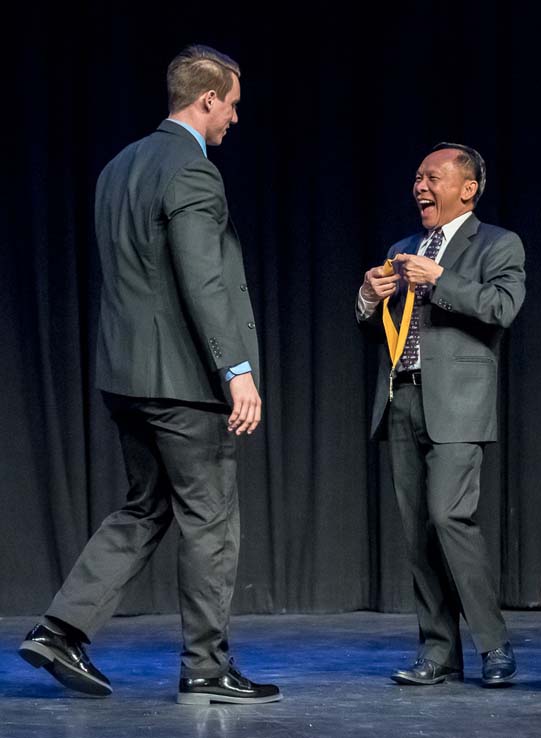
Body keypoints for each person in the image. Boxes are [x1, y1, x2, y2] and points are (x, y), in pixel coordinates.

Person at [19, 44, 281, 706]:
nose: (236, 120)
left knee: (146, 506)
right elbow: (201, 277)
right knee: (212, 517)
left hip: (124, 377)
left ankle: (59, 630)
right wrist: (237, 370)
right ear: (208, 99)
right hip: (184, 383)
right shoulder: (193, 171)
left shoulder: (117, 167)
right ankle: (206, 667)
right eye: (234, 106)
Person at [357, 143, 525, 687]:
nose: (419, 186)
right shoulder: (402, 247)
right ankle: (438, 651)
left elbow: (502, 308)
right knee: (417, 534)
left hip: (457, 403)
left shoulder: (497, 244)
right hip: (401, 397)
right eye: (416, 178)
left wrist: (439, 280)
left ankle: (494, 646)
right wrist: (367, 296)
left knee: (449, 518)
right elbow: (380, 327)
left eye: (431, 177)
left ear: (467, 187)